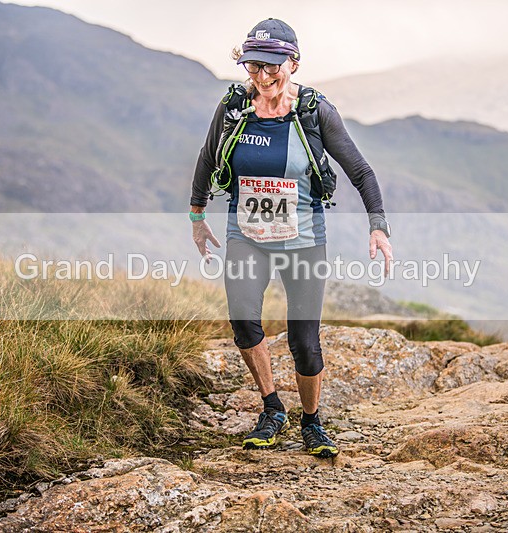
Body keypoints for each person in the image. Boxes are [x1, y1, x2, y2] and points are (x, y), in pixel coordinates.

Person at [189, 18, 392, 458]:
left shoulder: (314, 111)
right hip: (245, 235)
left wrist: (378, 226)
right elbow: (207, 158)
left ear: (293, 63)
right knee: (243, 321)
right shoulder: (233, 108)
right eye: (252, 66)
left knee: (304, 340)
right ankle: (272, 408)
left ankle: (312, 421)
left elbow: (362, 172)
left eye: (270, 66)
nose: (261, 76)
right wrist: (197, 215)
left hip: (303, 236)